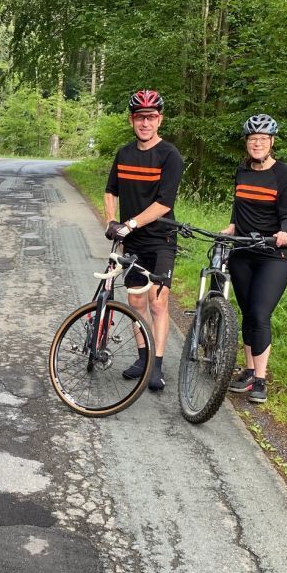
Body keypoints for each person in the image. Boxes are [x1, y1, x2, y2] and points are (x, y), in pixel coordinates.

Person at [104, 90, 184, 391]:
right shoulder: (124, 154)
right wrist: (111, 220)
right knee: (135, 301)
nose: (145, 123)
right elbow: (110, 190)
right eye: (140, 117)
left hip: (161, 240)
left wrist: (130, 224)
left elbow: (164, 204)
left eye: (151, 117)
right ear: (132, 120)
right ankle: (143, 357)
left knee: (158, 303)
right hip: (133, 243)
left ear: (159, 120)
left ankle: (157, 365)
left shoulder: (170, 156)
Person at [221, 114, 287, 404]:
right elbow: (239, 205)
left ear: (271, 142)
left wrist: (285, 231)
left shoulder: (283, 173)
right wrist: (232, 226)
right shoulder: (242, 171)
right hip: (242, 250)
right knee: (247, 311)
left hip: (273, 253)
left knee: (260, 312)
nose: (257, 143)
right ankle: (249, 370)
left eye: (262, 139)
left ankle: (261, 379)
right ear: (247, 143)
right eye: (253, 139)